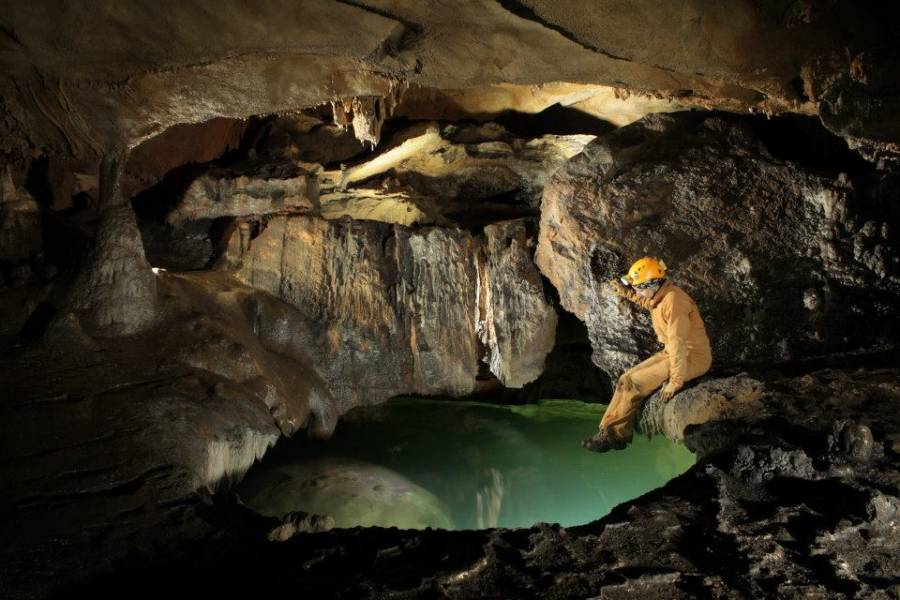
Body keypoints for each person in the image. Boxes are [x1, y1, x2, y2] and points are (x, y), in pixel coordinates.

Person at [582, 257, 712, 452]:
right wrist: (626, 292)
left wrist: (675, 382)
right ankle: (606, 431)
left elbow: (678, 343)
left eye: (639, 287)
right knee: (625, 379)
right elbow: (649, 303)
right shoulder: (661, 296)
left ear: (653, 283)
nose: (637, 292)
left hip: (691, 356)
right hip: (672, 352)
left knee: (635, 384)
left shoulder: (675, 302)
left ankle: (615, 435)